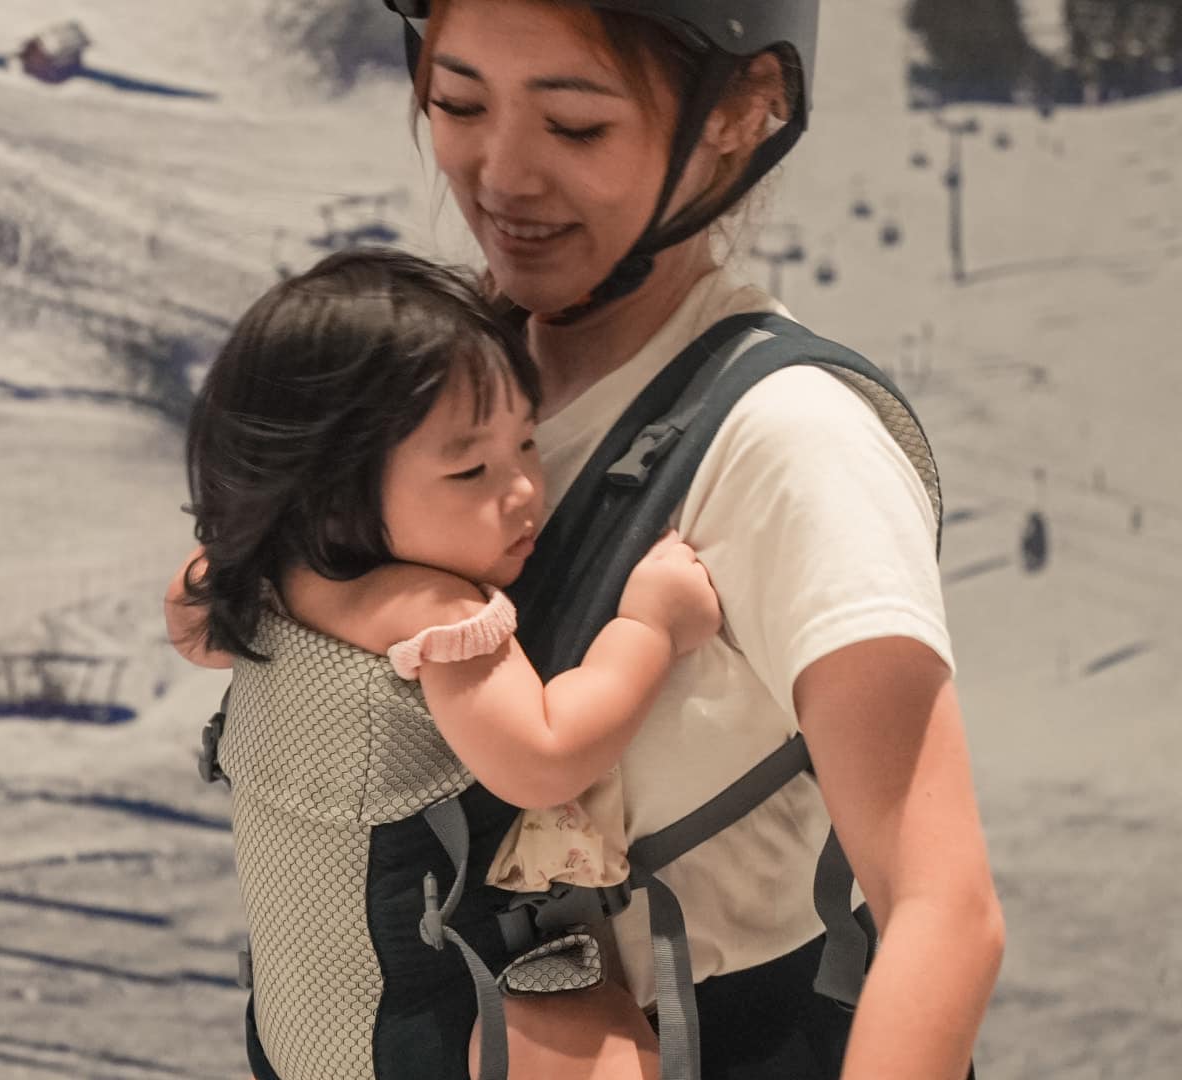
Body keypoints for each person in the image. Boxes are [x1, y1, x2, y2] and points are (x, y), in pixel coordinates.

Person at [387, 1, 1006, 1078]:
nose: (502, 173)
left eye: (575, 125)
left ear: (740, 111)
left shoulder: (791, 438)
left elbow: (943, 914)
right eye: (458, 103)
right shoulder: (424, 390)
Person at [165, 247, 727, 1079]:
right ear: (331, 488)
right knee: (597, 1034)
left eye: (528, 443)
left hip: (293, 1029)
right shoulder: (440, 617)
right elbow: (546, 758)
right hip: (431, 1037)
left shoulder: (260, 579)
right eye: (471, 470)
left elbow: (189, 622)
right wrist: (649, 626)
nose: (525, 488)